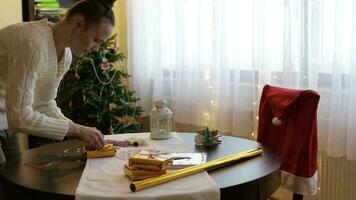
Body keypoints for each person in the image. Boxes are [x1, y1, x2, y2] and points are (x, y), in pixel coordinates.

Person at [0, 0, 117, 164]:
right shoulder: (33, 42)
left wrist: (80, 131)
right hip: (12, 117)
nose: (96, 48)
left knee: (14, 179)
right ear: (78, 23)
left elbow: (44, 104)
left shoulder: (66, 55)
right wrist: (76, 130)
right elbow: (20, 117)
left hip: (7, 119)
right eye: (96, 40)